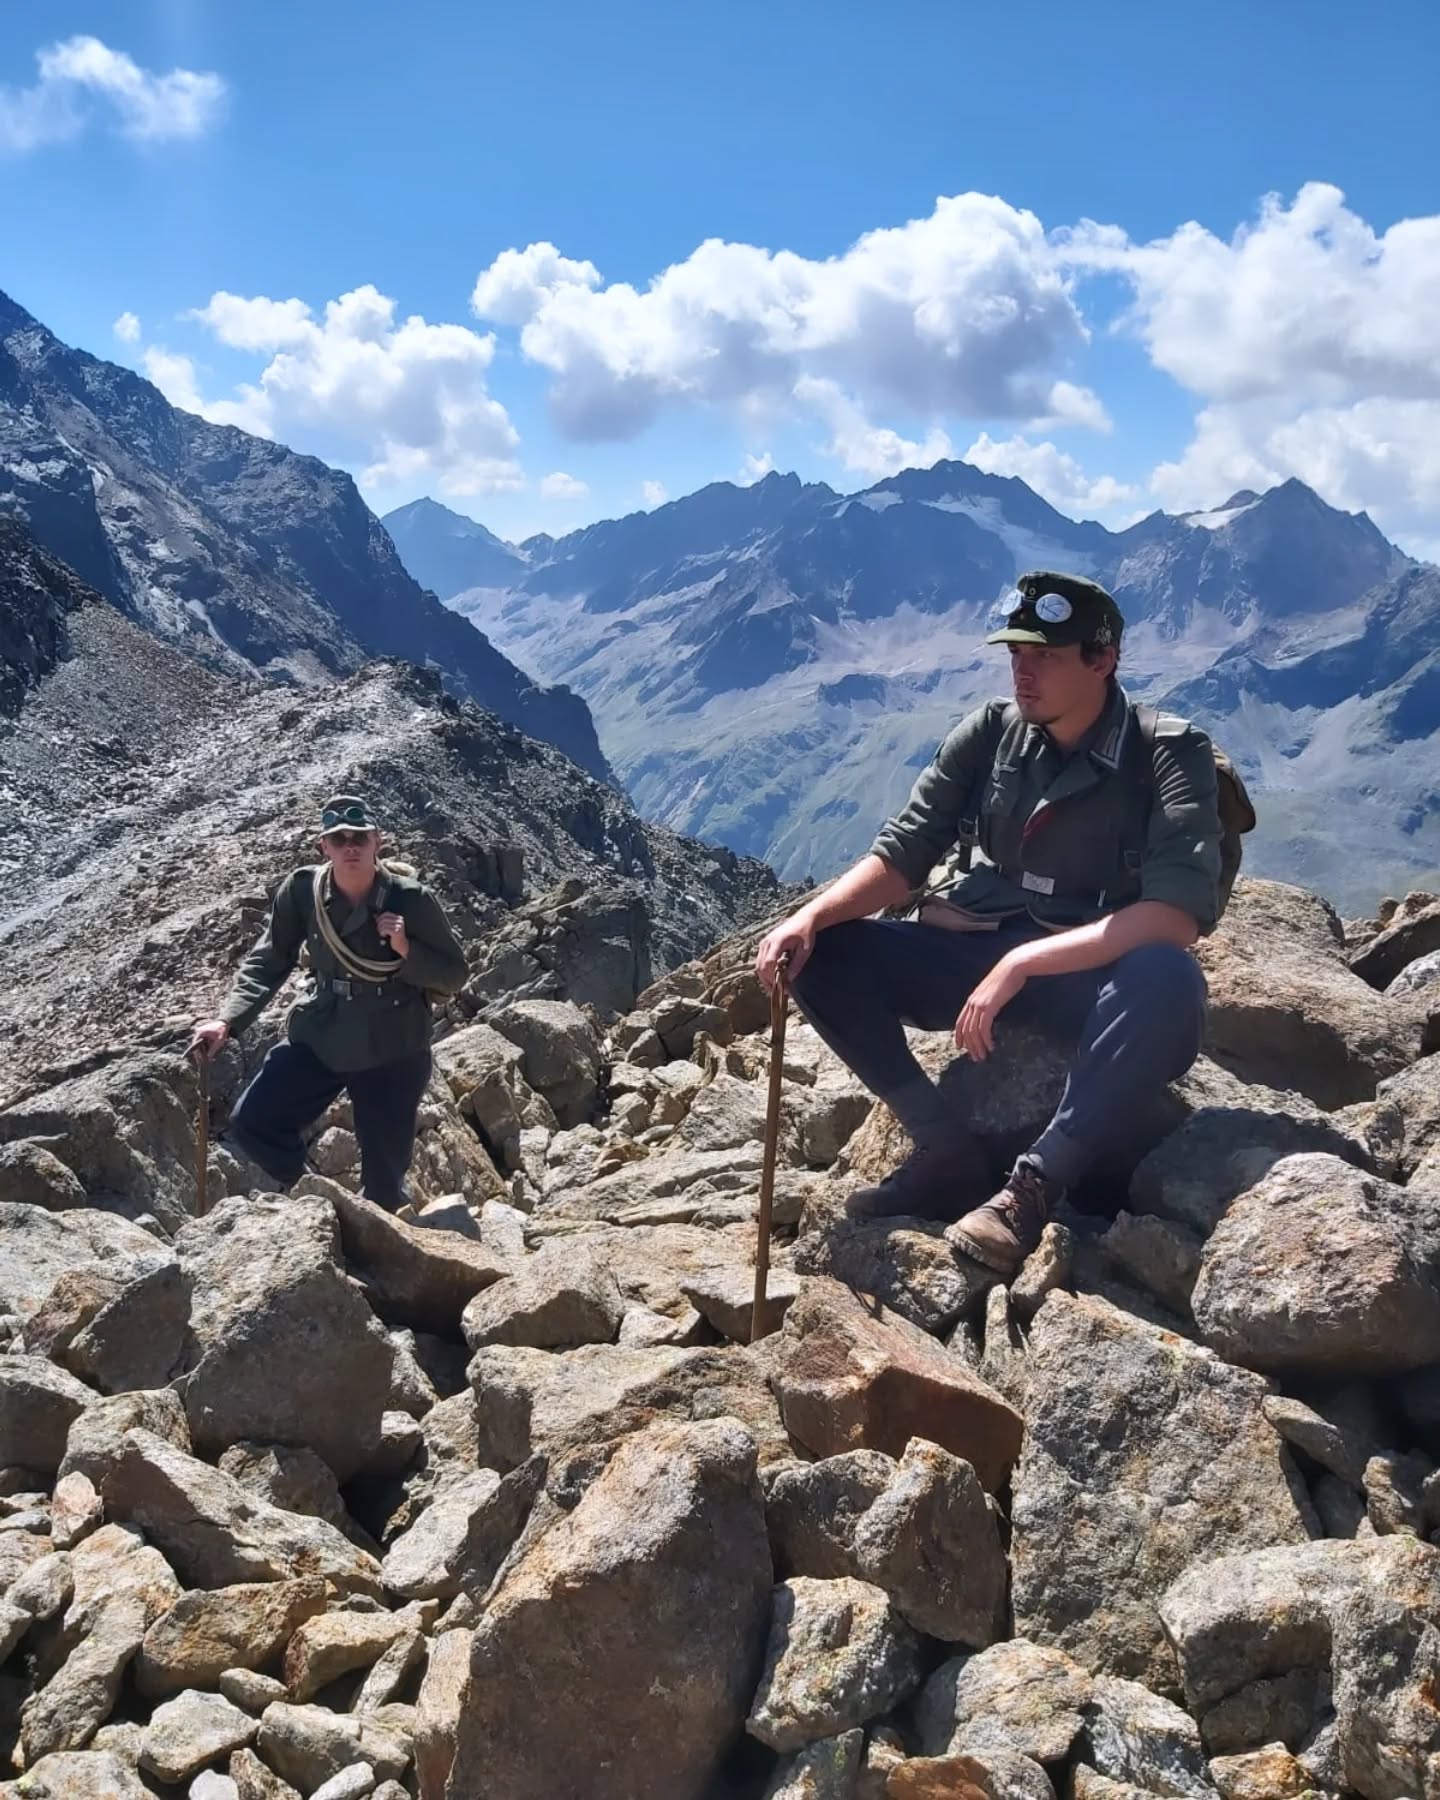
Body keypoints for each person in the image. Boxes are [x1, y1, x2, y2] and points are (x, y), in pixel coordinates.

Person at [755, 571, 1222, 1277]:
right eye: (1016, 654)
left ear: (1102, 661)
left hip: (1088, 976)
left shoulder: (1168, 753)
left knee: (1167, 977)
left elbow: (1175, 915)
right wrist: (809, 918)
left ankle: (1030, 1190)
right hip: (981, 949)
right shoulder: (992, 732)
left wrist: (1023, 963)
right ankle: (944, 1151)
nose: (1022, 672)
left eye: (1046, 657)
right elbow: (903, 854)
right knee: (824, 952)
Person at [188, 795, 467, 1215]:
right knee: (253, 1122)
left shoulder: (410, 898)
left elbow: (454, 973)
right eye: (339, 839)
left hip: (393, 1043)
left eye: (359, 837)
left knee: (386, 1186)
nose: (350, 846)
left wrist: (406, 949)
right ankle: (320, 1199)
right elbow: (270, 958)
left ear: (378, 841)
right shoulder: (303, 891)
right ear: (324, 847)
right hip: (324, 1032)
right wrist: (227, 1021)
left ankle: (385, 1254)